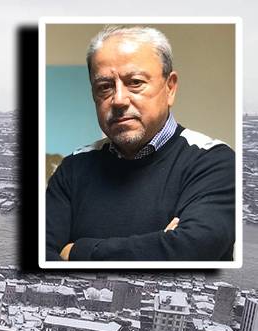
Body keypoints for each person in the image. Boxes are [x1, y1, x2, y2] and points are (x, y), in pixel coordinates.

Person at [46, 25, 235, 262]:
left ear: (170, 88)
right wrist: (160, 246)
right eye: (105, 87)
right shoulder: (73, 168)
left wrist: (76, 252)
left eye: (135, 82)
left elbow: (194, 250)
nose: (118, 100)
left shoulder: (214, 161)